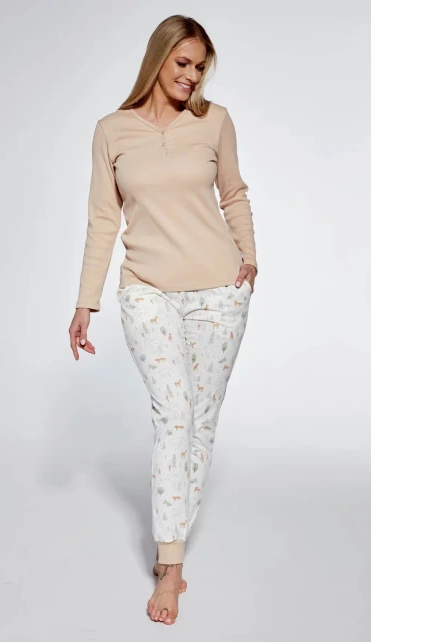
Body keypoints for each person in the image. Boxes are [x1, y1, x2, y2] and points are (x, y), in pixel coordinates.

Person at [68, 15, 258, 626]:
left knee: (199, 423)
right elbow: (103, 219)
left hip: (219, 292)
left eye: (200, 67)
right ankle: (171, 565)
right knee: (174, 415)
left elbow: (233, 193)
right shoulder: (112, 131)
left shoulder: (216, 121)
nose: (192, 76)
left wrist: (249, 259)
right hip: (147, 289)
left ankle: (170, 542)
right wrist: (86, 301)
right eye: (183, 63)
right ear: (158, 59)